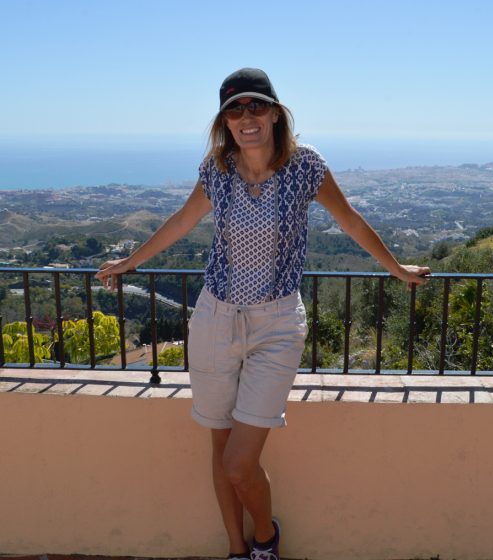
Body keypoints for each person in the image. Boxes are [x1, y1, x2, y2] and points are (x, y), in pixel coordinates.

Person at [96, 67, 430, 560]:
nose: (246, 117)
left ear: (275, 113)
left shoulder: (306, 167)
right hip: (214, 317)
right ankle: (239, 549)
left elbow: (350, 220)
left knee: (237, 462)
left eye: (256, 106)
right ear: (224, 122)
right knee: (219, 448)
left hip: (276, 324)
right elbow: (182, 222)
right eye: (235, 109)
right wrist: (129, 263)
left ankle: (266, 536)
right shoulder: (217, 169)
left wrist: (396, 269)